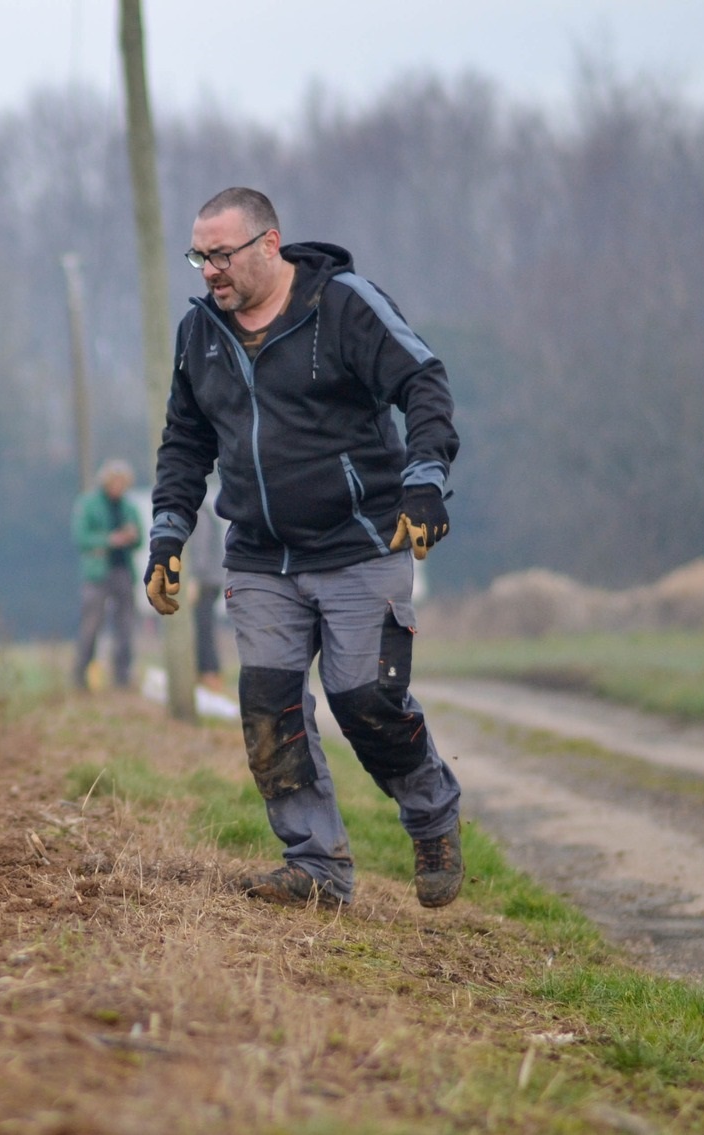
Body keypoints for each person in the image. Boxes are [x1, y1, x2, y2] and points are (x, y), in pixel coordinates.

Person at [143, 187, 462, 910]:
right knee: (268, 707)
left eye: (220, 255)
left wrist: (423, 482)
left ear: (268, 243)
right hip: (259, 554)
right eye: (199, 256)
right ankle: (316, 864)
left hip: (358, 541)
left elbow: (422, 382)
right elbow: (184, 443)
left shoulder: (342, 305)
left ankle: (431, 816)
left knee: (365, 700)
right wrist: (168, 531)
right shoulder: (199, 334)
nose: (208, 272)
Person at [71, 459, 141, 690]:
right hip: (97, 574)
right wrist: (110, 539)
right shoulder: (88, 504)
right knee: (91, 625)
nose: (118, 487)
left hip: (123, 571)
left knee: (125, 627)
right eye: (115, 482)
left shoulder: (129, 507)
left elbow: (139, 538)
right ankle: (80, 677)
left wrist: (132, 536)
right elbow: (81, 538)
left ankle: (122, 677)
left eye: (123, 483)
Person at [189, 492, 225, 691]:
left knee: (203, 628)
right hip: (211, 579)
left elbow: (200, 551)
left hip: (205, 581)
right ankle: (205, 672)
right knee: (203, 627)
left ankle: (209, 673)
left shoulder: (199, 516)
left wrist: (194, 579)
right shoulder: (205, 513)